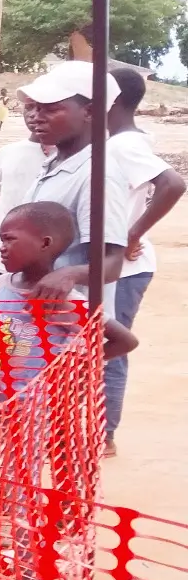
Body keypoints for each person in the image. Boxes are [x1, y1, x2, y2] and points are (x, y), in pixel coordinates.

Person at [0, 202, 137, 580]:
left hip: (27, 414)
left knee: (19, 493)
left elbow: (123, 340)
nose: (2, 246)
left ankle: (24, 576)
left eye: (10, 238)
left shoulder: (67, 301)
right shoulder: (1, 285)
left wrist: (71, 368)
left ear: (45, 243)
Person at [102, 67, 185, 456]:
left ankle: (105, 435)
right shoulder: (116, 141)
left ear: (113, 99)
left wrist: (132, 234)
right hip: (118, 264)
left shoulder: (123, 146)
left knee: (109, 347)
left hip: (126, 266)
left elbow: (173, 183)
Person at [16, 62, 130, 303]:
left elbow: (112, 262)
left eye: (50, 109)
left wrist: (69, 274)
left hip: (72, 324)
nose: (36, 117)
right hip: (39, 317)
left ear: (90, 112)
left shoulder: (98, 175)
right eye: (33, 107)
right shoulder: (55, 163)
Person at [0, 103, 47, 289]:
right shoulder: (6, 153)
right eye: (29, 107)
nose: (33, 115)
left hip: (44, 274)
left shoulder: (70, 159)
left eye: (41, 108)